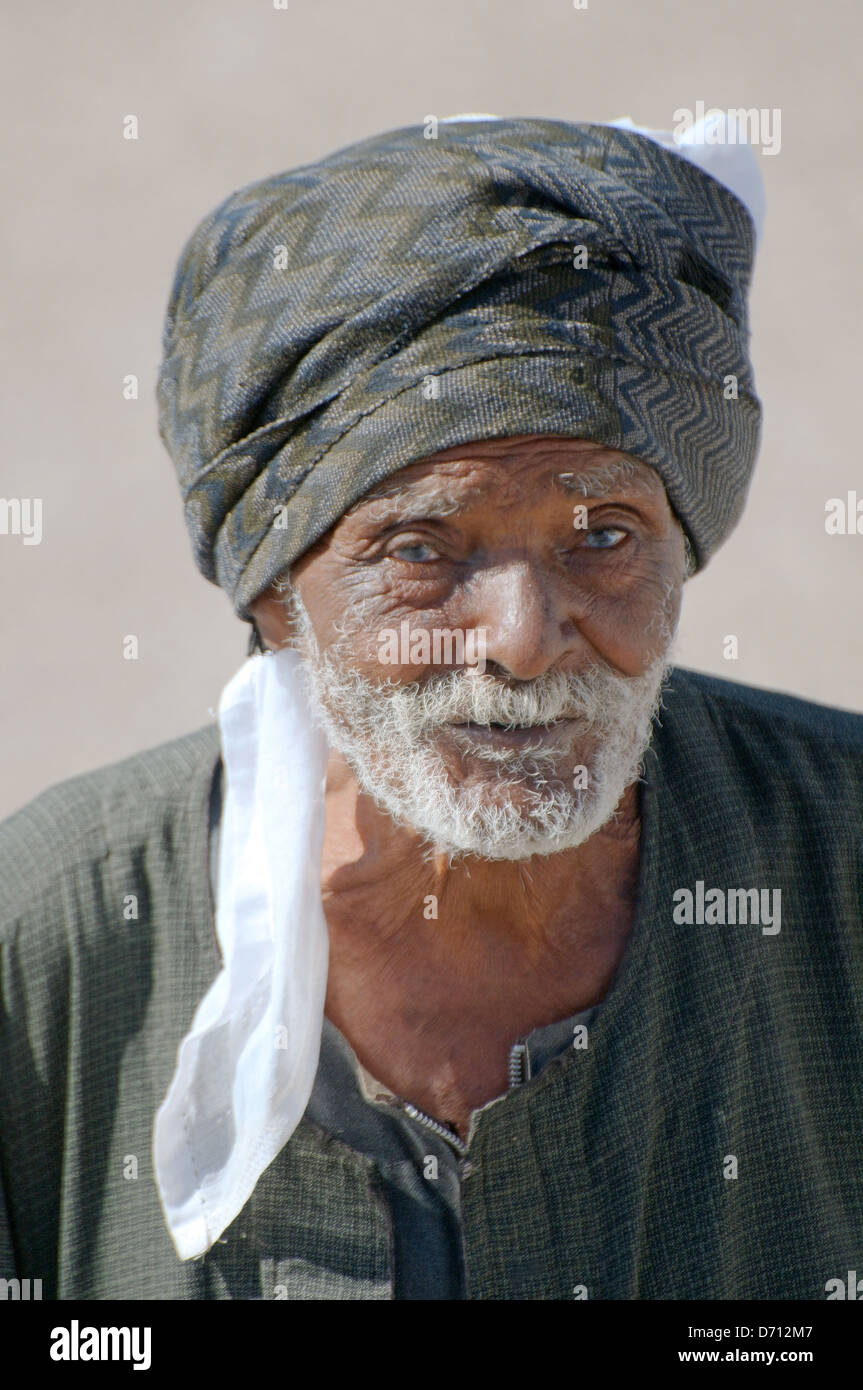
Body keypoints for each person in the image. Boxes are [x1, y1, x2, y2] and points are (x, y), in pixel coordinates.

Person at [1, 116, 861, 1302]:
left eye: (603, 536)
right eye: (419, 544)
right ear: (271, 593)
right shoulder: (49, 937)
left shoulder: (837, 860)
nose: (520, 639)